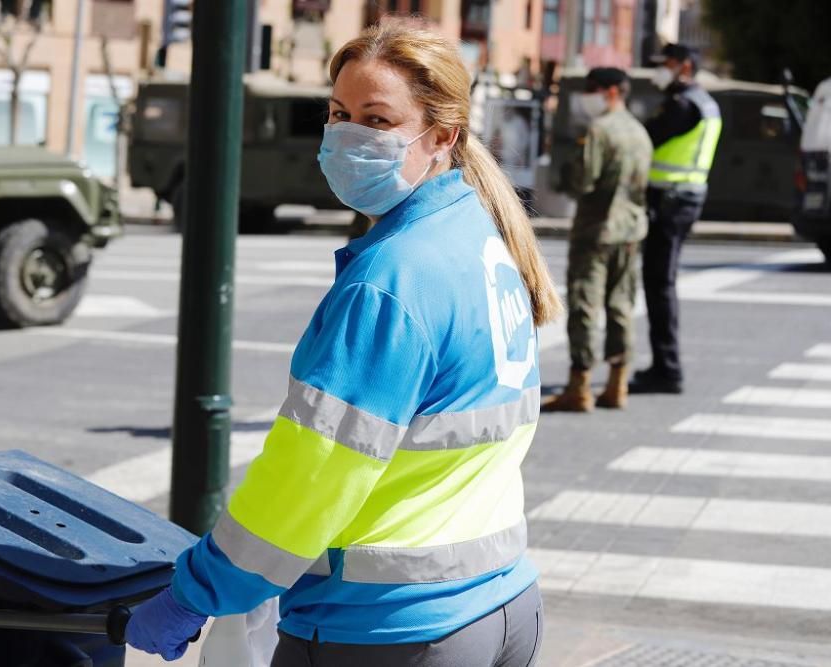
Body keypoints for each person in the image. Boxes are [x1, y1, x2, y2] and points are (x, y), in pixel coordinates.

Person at [125, 22, 562, 667]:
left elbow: (304, 484)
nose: (349, 135)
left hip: (386, 629)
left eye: (377, 120)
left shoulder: (389, 282)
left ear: (442, 136)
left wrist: (195, 594)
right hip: (500, 605)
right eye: (339, 113)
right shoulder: (480, 234)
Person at [543, 68, 653, 413]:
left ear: (610, 91)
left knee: (585, 305)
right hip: (631, 230)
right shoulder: (639, 131)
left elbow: (582, 182)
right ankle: (618, 383)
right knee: (621, 304)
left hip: (596, 229)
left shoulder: (598, 131)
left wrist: (566, 173)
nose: (586, 95)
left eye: (592, 89)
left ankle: (580, 386)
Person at [629, 43, 722, 395]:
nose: (659, 71)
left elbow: (645, 138)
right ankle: (664, 366)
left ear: (684, 66)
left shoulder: (683, 105)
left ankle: (668, 369)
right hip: (681, 200)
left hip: (670, 202)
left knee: (660, 283)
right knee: (660, 282)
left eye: (665, 64)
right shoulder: (702, 102)